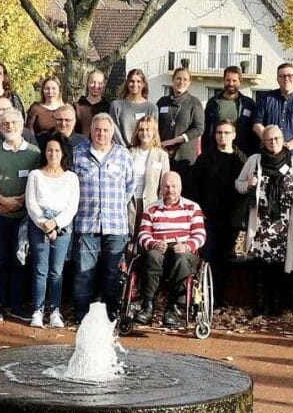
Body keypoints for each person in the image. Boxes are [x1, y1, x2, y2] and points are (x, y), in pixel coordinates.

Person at [235, 125, 293, 316]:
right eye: (269, 139)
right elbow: (238, 184)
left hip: (285, 225)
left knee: (281, 266)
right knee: (260, 265)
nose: (273, 142)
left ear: (283, 140)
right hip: (260, 223)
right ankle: (260, 304)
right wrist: (248, 184)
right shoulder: (255, 160)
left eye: (276, 138)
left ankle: (277, 304)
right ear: (263, 142)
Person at [71, 113, 135, 322]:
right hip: (86, 223)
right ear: (91, 131)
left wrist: (113, 206)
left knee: (111, 274)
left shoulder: (123, 155)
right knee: (83, 273)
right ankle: (81, 317)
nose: (101, 134)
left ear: (112, 132)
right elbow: (70, 184)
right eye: (97, 129)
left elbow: (130, 186)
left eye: (106, 130)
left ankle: (110, 318)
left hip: (115, 225)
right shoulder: (77, 154)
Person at [0, 108, 39, 321]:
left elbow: (39, 181)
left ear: (22, 125)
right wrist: (4, 202)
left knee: (19, 261)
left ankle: (16, 305)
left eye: (14, 122)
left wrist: (19, 202)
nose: (10, 126)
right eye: (5, 123)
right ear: (0, 127)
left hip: (24, 218)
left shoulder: (34, 153)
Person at [134, 171, 206, 327]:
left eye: (174, 186)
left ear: (180, 187)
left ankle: (174, 308)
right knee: (152, 256)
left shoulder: (193, 207)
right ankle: (147, 306)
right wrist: (154, 244)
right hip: (160, 249)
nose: (170, 190)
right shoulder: (151, 209)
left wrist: (187, 246)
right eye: (166, 186)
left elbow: (200, 235)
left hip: (184, 251)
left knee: (182, 258)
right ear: (161, 188)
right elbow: (143, 235)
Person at [25, 136, 78, 328]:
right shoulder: (35, 175)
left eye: (56, 150)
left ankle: (55, 311)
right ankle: (38, 310)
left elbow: (72, 206)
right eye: (49, 150)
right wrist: (44, 224)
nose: (53, 154)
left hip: (63, 228)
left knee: (57, 271)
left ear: (63, 153)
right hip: (39, 227)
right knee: (41, 270)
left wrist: (56, 223)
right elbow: (31, 203)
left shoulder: (71, 178)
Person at [191, 119, 246, 297]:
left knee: (224, 257)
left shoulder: (242, 160)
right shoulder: (205, 158)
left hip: (231, 219)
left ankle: (219, 296)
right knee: (208, 255)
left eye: (226, 133)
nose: (222, 136)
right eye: (219, 133)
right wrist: (199, 212)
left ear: (234, 135)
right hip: (208, 217)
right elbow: (195, 186)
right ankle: (204, 296)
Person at [156, 67, 203, 194]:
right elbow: (154, 126)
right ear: (173, 80)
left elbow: (199, 128)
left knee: (183, 192)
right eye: (178, 78)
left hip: (184, 156)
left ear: (189, 82)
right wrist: (159, 145)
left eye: (185, 79)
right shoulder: (162, 102)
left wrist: (174, 141)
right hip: (163, 154)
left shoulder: (194, 103)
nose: (181, 82)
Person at [253, 63, 293, 157]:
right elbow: (257, 124)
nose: (286, 79)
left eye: (290, 75)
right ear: (277, 79)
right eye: (282, 76)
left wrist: (288, 146)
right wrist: (271, 142)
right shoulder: (266, 98)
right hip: (269, 156)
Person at [202, 66, 258, 156]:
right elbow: (206, 130)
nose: (231, 83)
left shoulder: (249, 104)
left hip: (241, 154)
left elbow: (253, 133)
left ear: (240, 82)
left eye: (234, 80)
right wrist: (205, 153)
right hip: (216, 154)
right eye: (228, 80)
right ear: (224, 80)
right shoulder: (213, 102)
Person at [128, 115, 170, 232]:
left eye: (148, 129)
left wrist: (162, 208)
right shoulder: (129, 152)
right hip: (131, 203)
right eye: (141, 129)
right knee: (130, 237)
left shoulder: (162, 155)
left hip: (151, 204)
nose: (144, 133)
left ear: (154, 132)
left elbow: (164, 184)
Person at [108, 70, 155, 147]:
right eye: (132, 81)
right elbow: (115, 131)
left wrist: (140, 150)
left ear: (143, 84)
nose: (135, 84)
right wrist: (125, 150)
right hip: (121, 150)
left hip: (144, 151)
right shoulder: (116, 106)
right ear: (127, 83)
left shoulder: (151, 108)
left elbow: (153, 133)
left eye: (138, 81)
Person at [75, 69, 110, 137]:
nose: (96, 86)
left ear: (104, 85)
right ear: (87, 83)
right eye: (92, 82)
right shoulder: (77, 107)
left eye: (100, 83)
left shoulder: (108, 107)